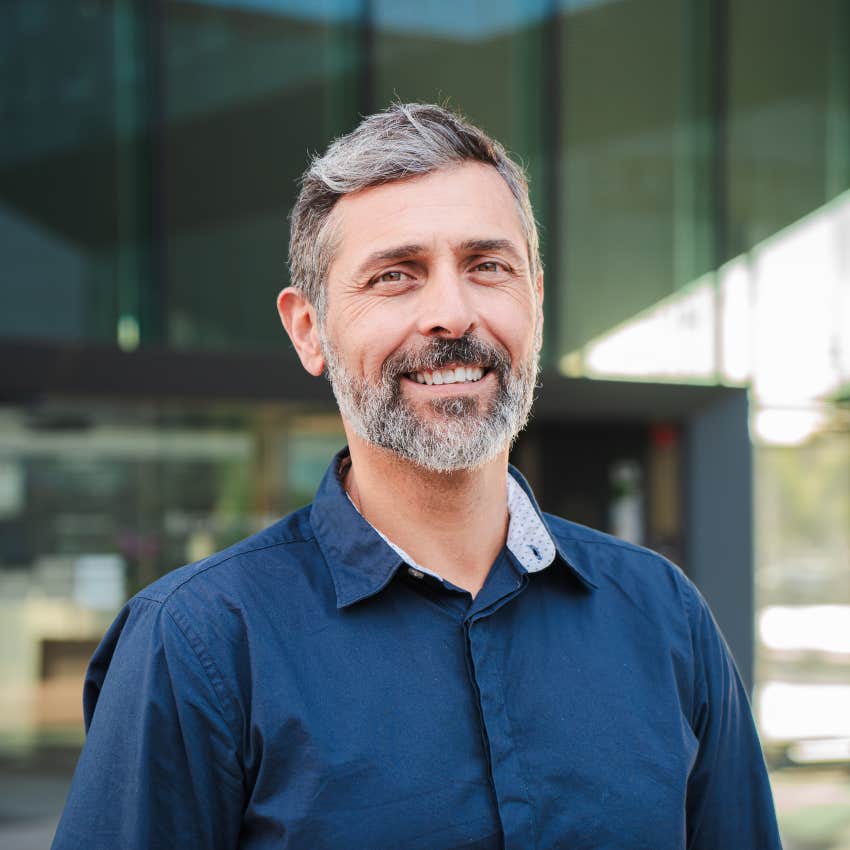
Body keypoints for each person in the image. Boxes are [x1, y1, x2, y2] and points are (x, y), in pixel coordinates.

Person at [52, 103, 782, 850]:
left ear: (535, 300)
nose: (451, 314)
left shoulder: (663, 616)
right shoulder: (196, 642)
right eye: (395, 276)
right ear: (309, 329)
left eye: (487, 267)